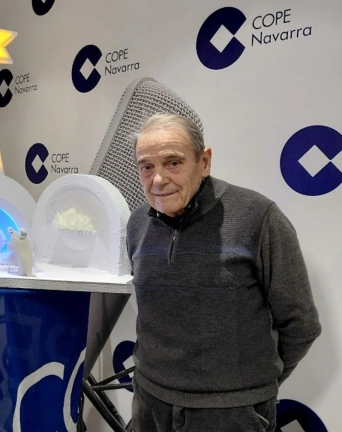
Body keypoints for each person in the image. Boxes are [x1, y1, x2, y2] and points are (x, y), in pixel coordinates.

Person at [126, 113, 321, 431]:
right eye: (146, 166)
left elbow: (301, 324)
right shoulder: (136, 223)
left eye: (173, 163)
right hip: (150, 403)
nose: (158, 179)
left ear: (204, 162)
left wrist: (249, 389)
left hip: (231, 414)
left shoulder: (258, 217)